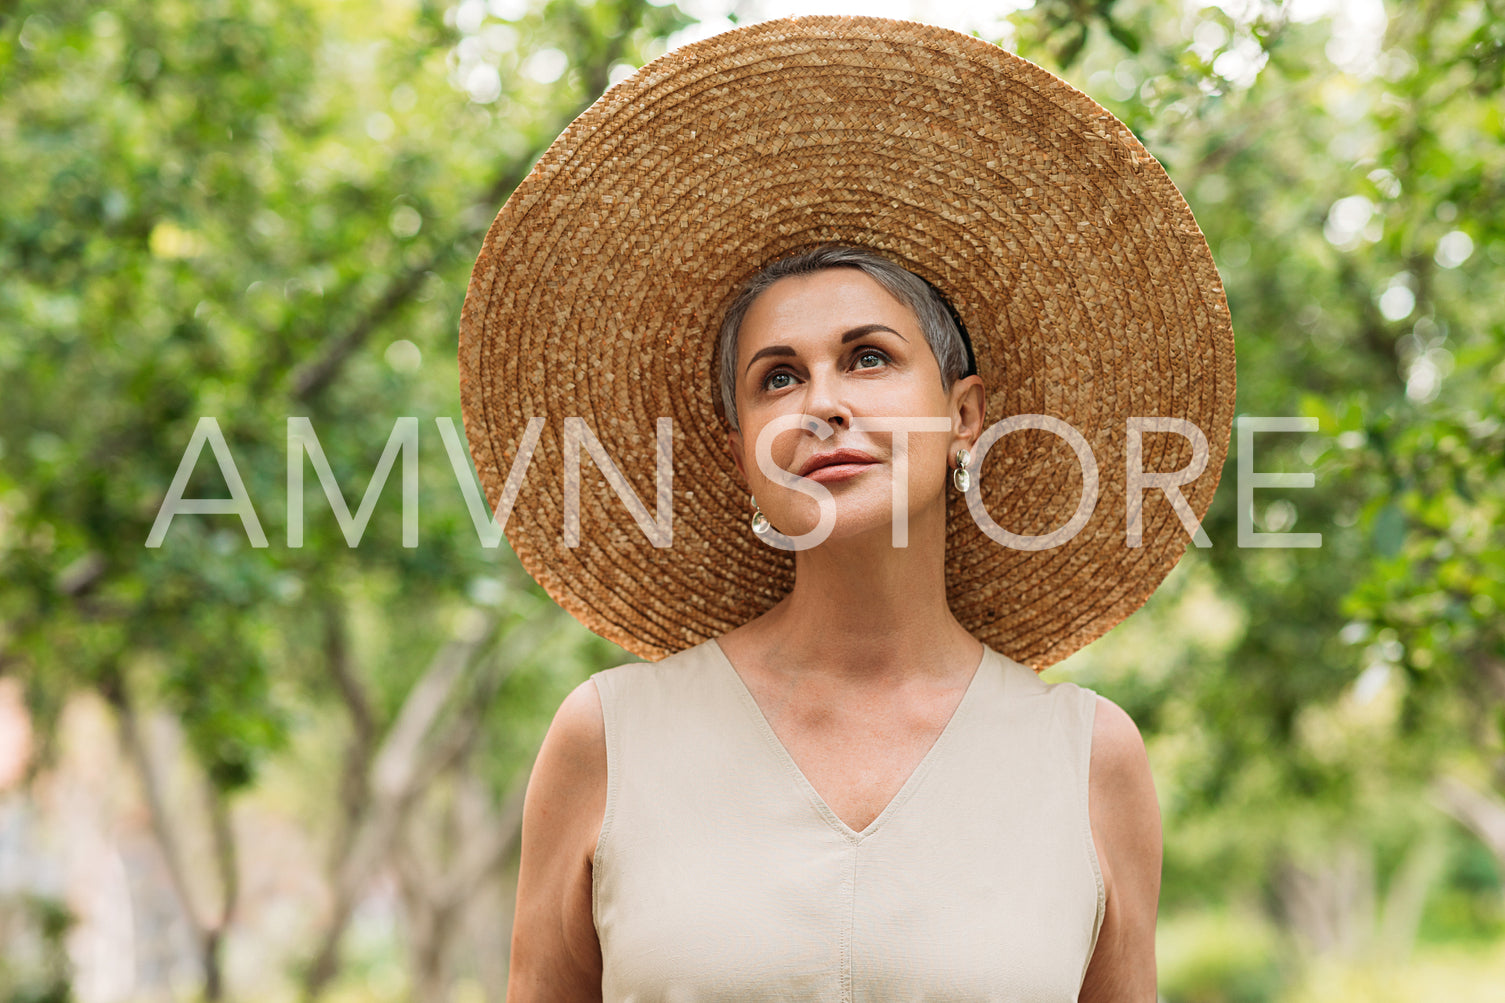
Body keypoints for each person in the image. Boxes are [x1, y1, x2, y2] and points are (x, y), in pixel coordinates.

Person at [458, 16, 1236, 1002]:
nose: (820, 401)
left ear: (963, 417)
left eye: (867, 357)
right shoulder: (608, 739)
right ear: (742, 456)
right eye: (775, 378)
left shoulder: (1086, 758)